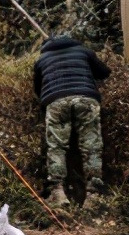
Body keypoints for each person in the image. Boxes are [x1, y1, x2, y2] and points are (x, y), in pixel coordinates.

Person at [33, 35, 111, 209]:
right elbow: (104, 72)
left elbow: (37, 90)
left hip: (56, 102)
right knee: (91, 145)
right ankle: (93, 195)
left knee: (57, 147)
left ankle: (58, 194)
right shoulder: (83, 51)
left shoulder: (42, 59)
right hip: (85, 99)